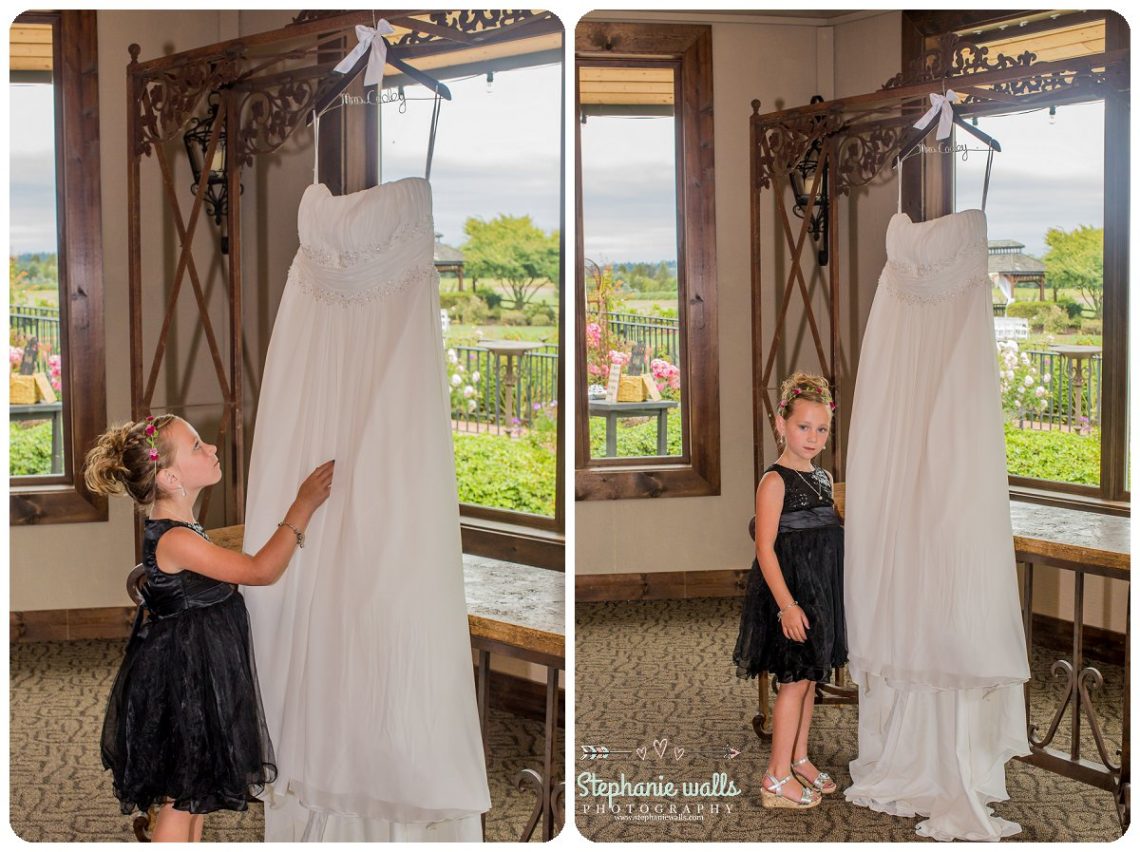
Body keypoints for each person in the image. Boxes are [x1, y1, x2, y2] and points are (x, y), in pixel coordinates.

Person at [84, 414, 333, 842]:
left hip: (197, 671)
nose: (212, 449)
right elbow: (260, 570)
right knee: (182, 803)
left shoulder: (184, 530)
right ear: (170, 478)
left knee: (193, 800)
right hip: (185, 681)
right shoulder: (176, 540)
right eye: (197, 446)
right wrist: (302, 506)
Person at [733, 372, 847, 809]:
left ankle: (799, 757)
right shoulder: (775, 481)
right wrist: (787, 606)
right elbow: (764, 547)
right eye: (804, 427)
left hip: (820, 595)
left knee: (811, 678)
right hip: (791, 598)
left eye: (821, 429)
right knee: (794, 682)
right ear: (781, 424)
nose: (813, 437)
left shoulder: (822, 478)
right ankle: (775, 778)